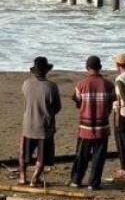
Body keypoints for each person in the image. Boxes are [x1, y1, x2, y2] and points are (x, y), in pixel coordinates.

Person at [70, 55, 115, 190]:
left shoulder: (81, 85)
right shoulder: (108, 84)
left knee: (82, 155)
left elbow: (78, 103)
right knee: (98, 157)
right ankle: (93, 183)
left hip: (85, 127)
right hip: (102, 126)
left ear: (87, 68)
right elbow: (112, 103)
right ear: (99, 67)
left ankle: (76, 180)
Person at [19, 56, 61, 187]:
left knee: (24, 153)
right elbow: (57, 107)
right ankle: (34, 178)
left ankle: (22, 176)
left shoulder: (26, 84)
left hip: (28, 123)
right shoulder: (51, 86)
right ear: (46, 70)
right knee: (41, 156)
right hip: (44, 126)